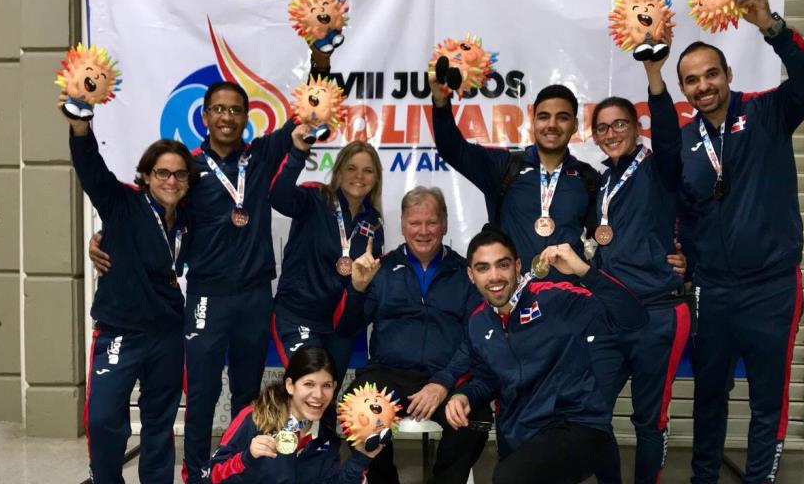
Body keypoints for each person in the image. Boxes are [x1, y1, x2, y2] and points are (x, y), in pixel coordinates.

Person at [88, 53, 334, 483]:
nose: (226, 116)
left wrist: (321, 57)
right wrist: (104, 238)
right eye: (218, 109)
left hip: (256, 294)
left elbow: (308, 108)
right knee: (201, 392)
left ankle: (239, 468)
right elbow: (144, 211)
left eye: (235, 110)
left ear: (246, 117)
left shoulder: (259, 156)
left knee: (247, 391)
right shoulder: (189, 171)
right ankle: (197, 471)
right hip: (205, 296)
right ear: (204, 117)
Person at [650, 0, 804, 482]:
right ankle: (703, 476)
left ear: (728, 74)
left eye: (711, 74)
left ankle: (759, 478)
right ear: (683, 89)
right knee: (708, 397)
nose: (703, 86)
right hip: (713, 290)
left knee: (768, 399)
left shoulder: (769, 112)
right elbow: (677, 210)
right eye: (692, 80)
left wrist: (770, 26)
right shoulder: (685, 142)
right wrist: (679, 252)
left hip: (772, 287)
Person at [62, 92, 200, 483]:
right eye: (162, 172)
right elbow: (90, 167)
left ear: (188, 182)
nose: (171, 181)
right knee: (105, 419)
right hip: (121, 331)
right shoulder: (122, 203)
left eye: (179, 174)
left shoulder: (190, 219)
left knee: (159, 425)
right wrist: (79, 124)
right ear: (145, 175)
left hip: (168, 335)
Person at [445, 227, 647, 484]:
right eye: (483, 268)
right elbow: (488, 381)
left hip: (575, 424)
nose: (494, 276)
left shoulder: (557, 297)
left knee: (509, 479)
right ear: (471, 275)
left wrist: (585, 272)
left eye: (503, 264)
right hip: (520, 434)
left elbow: (634, 318)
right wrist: (464, 395)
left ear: (517, 265)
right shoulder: (478, 323)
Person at [338, 186, 490, 484]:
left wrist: (444, 383)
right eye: (414, 223)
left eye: (431, 222)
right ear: (403, 226)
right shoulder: (381, 269)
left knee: (476, 416)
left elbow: (478, 335)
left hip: (447, 374)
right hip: (387, 373)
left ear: (444, 225)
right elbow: (347, 327)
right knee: (358, 406)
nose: (423, 231)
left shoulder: (466, 272)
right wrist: (357, 288)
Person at [588, 63, 691, 482]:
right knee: (591, 411)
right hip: (612, 317)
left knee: (650, 419)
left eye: (620, 125)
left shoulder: (659, 168)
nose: (611, 134)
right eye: (602, 128)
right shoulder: (603, 182)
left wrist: (655, 77)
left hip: (658, 313)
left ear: (637, 127)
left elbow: (669, 133)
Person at [430, 75, 601, 282]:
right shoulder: (505, 166)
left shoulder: (587, 177)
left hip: (569, 300)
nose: (552, 124)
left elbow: (596, 242)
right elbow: (453, 149)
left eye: (562, 117)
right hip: (514, 300)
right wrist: (441, 103)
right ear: (533, 121)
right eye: (544, 116)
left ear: (574, 125)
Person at [268, 133, 385, 399]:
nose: (359, 176)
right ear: (339, 170)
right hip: (299, 317)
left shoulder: (373, 223)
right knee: (310, 389)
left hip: (339, 328)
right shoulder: (315, 198)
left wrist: (360, 285)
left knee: (327, 397)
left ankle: (324, 441)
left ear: (376, 177)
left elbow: (365, 287)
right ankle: (294, 441)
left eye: (368, 170)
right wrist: (298, 151)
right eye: (351, 168)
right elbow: (278, 196)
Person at [205, 346, 382, 483]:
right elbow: (213, 477)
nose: (319, 395)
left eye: (326, 386)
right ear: (290, 385)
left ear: (335, 387)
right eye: (309, 384)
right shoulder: (254, 418)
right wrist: (247, 458)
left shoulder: (327, 439)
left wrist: (360, 458)